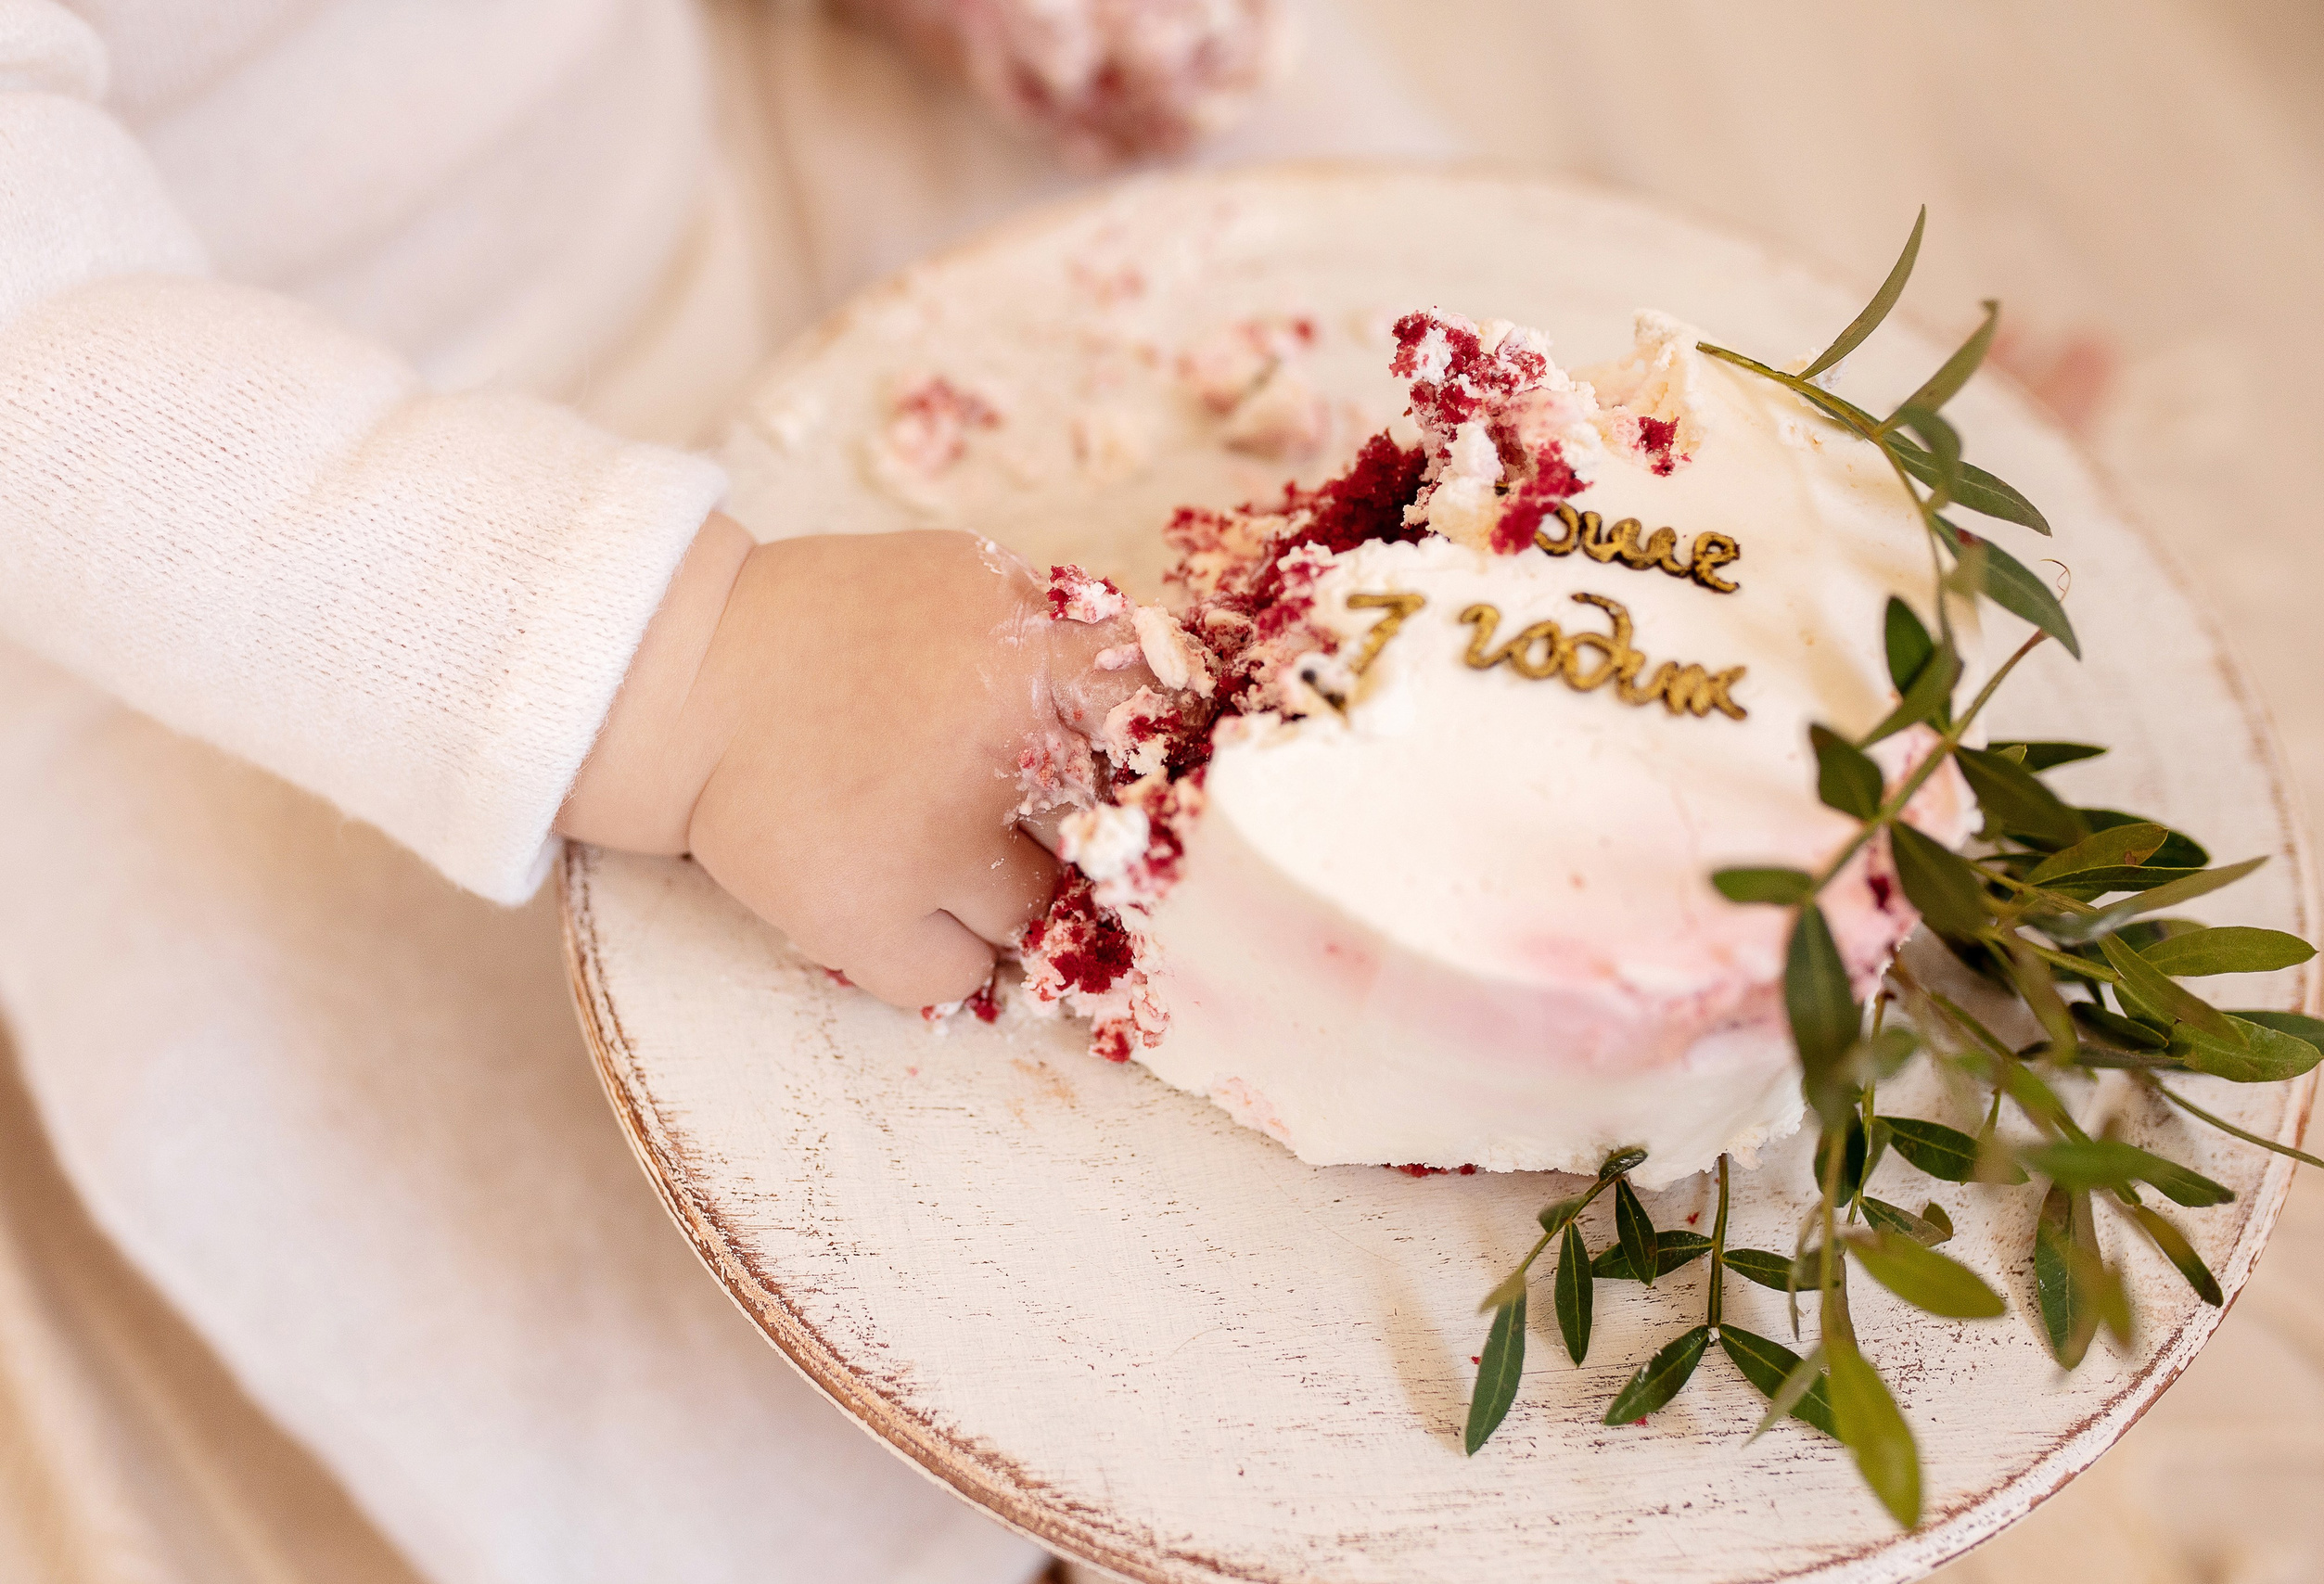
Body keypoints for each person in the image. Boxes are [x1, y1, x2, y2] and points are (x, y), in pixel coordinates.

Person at [0, 1, 1446, 1579]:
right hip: (204, 562)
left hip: (684, 149)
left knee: (1346, 314)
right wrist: (680, 669)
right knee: (444, 1162)